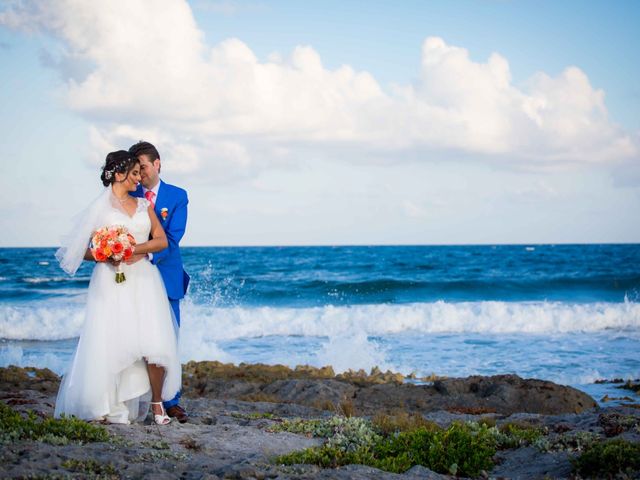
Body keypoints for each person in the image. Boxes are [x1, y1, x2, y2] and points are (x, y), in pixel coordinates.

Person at [54, 150, 180, 425]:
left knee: (148, 338)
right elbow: (80, 250)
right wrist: (106, 253)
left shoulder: (144, 205)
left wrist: (134, 248)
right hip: (111, 280)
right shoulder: (99, 209)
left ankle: (149, 403)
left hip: (144, 280)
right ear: (119, 174)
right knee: (110, 338)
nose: (139, 178)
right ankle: (106, 403)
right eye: (134, 173)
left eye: (139, 172)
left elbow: (161, 242)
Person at [128, 141, 190, 423]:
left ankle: (171, 400)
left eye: (143, 166)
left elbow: (173, 238)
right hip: (133, 275)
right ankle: (140, 396)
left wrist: (145, 256)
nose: (140, 172)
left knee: (168, 337)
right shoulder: (128, 193)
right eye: (136, 168)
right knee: (135, 335)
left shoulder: (177, 196)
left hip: (165, 275)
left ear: (157, 164)